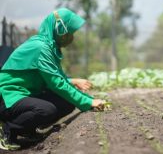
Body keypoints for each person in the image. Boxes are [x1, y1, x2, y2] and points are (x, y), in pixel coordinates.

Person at [0, 8, 105, 151]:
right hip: (8, 97)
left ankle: (27, 129)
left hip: (26, 94)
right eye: (70, 32)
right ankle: (8, 131)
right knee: (46, 110)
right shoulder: (41, 47)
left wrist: (79, 90)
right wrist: (89, 102)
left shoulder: (49, 46)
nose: (71, 36)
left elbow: (56, 78)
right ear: (59, 29)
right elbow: (56, 83)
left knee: (67, 102)